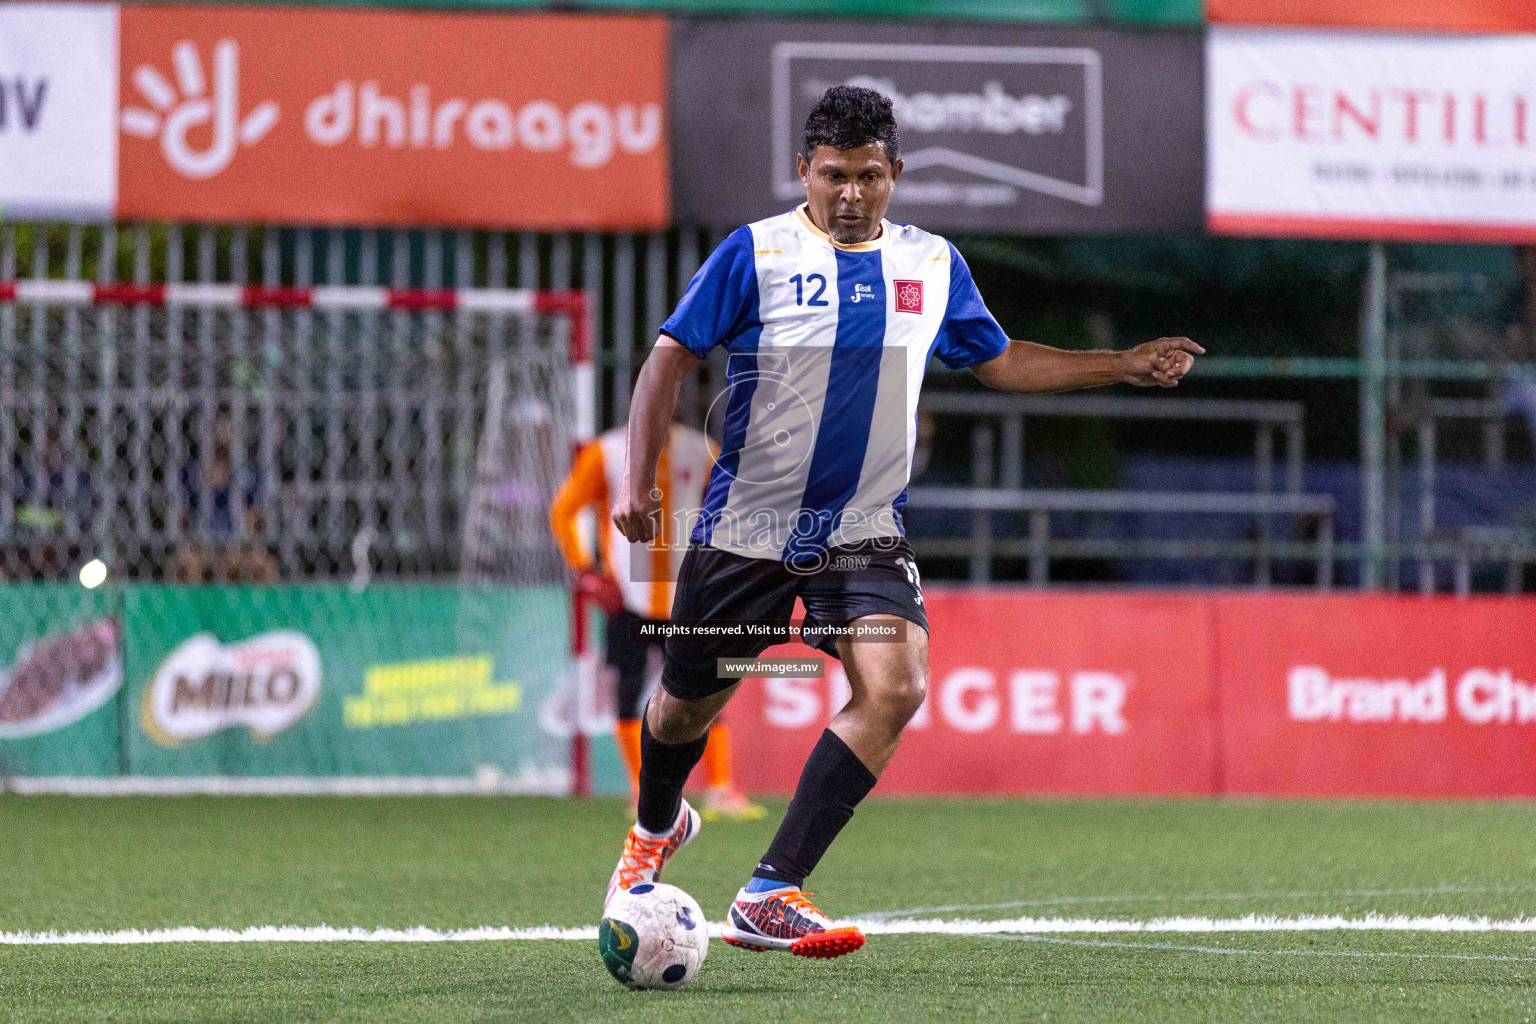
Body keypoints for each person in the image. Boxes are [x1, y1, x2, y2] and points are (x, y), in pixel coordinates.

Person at [604, 85, 1202, 958]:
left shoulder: (930, 263)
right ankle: (657, 827)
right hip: (747, 533)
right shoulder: (755, 253)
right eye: (836, 176)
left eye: (871, 178)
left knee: (895, 685)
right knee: (688, 707)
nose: (852, 195)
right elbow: (669, 357)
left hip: (862, 531)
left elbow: (998, 362)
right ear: (803, 171)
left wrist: (1123, 364)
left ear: (896, 175)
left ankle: (772, 888)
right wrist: (639, 481)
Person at [549, 420, 766, 821]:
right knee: (629, 689)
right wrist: (584, 571)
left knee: (708, 689)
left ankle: (720, 789)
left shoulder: (702, 450)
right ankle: (639, 789)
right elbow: (564, 511)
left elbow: (738, 504)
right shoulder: (606, 452)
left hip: (690, 596)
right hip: (628, 597)